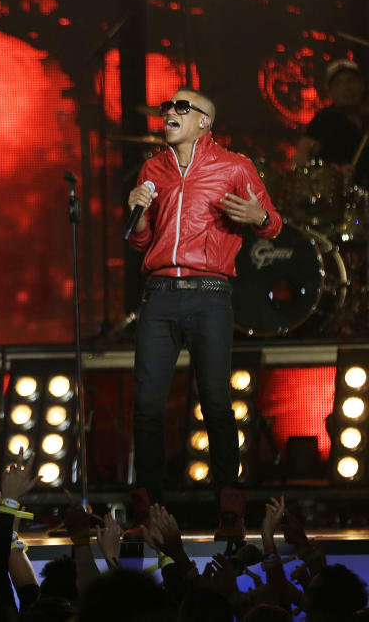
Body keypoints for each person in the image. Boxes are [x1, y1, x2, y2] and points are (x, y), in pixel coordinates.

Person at [126, 88, 282, 540]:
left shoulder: (235, 166)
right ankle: (148, 513)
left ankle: (230, 510)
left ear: (204, 122)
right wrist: (138, 215)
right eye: (167, 107)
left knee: (214, 399)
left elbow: (274, 222)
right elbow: (141, 241)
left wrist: (257, 215)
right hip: (159, 293)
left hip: (210, 293)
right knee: (147, 406)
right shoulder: (153, 168)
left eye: (181, 107)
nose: (170, 112)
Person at [294, 59, 369, 187]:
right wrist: (336, 172)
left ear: (362, 86)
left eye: (351, 81)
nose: (346, 88)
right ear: (330, 92)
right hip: (334, 196)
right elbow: (300, 159)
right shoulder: (324, 119)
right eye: (338, 84)